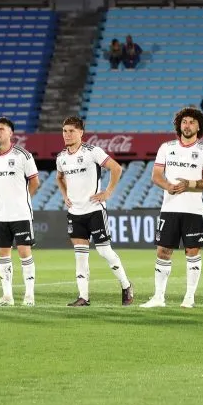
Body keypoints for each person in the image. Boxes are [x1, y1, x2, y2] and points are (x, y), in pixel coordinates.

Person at [141, 107, 203, 309]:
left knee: (192, 252)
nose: (187, 125)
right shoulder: (166, 147)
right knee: (163, 251)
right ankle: (158, 297)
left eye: (192, 122)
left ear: (199, 127)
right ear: (179, 125)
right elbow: (156, 175)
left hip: (193, 210)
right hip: (169, 208)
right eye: (184, 122)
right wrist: (168, 186)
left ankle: (189, 297)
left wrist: (189, 185)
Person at [56, 116, 133, 307]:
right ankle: (83, 297)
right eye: (64, 131)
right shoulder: (61, 157)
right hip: (75, 213)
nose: (67, 135)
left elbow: (116, 168)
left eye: (71, 131)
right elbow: (59, 177)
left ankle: (126, 285)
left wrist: (108, 192)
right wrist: (65, 195)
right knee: (80, 256)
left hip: (95, 210)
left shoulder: (92, 151)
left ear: (81, 133)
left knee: (104, 251)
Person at [0, 117, 40, 306]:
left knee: (24, 251)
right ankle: (7, 296)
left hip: (20, 213)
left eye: (1, 129)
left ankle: (29, 296)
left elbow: (35, 182)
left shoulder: (23, 155)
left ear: (10, 133)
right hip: (0, 214)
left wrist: (23, 200)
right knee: (3, 253)